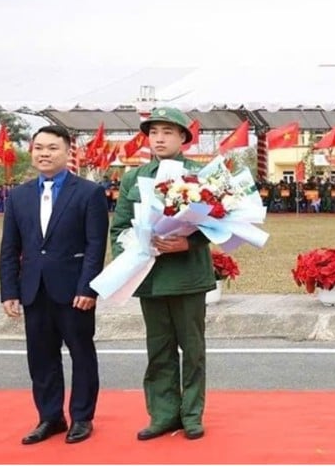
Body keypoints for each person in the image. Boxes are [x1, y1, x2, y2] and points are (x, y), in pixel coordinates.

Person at [110, 107, 215, 441]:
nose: (159, 138)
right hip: (150, 275)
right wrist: (137, 249)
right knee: (159, 348)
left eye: (167, 132)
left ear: (183, 137)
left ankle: (192, 414)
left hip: (187, 274)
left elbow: (219, 225)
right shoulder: (133, 177)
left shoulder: (202, 174)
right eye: (153, 132)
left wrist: (189, 242)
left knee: (192, 348)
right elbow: (120, 227)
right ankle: (163, 413)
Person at [0, 125, 109, 445]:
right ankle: (50, 417)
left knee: (81, 354)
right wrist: (9, 290)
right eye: (38, 148)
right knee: (41, 357)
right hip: (34, 289)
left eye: (52, 148)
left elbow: (95, 245)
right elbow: (10, 248)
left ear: (67, 152)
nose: (44, 154)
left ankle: (82, 417)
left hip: (74, 291)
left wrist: (88, 288)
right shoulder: (19, 196)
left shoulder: (88, 192)